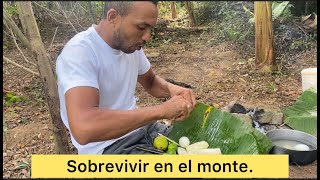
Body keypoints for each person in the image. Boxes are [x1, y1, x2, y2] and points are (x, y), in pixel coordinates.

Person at [56, 1, 196, 154]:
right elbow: (84, 128)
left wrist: (171, 89)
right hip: (108, 148)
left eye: (150, 28)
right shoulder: (80, 53)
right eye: (141, 27)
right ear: (113, 17)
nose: (147, 37)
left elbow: (150, 82)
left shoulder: (130, 46)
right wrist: (162, 110)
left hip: (144, 130)